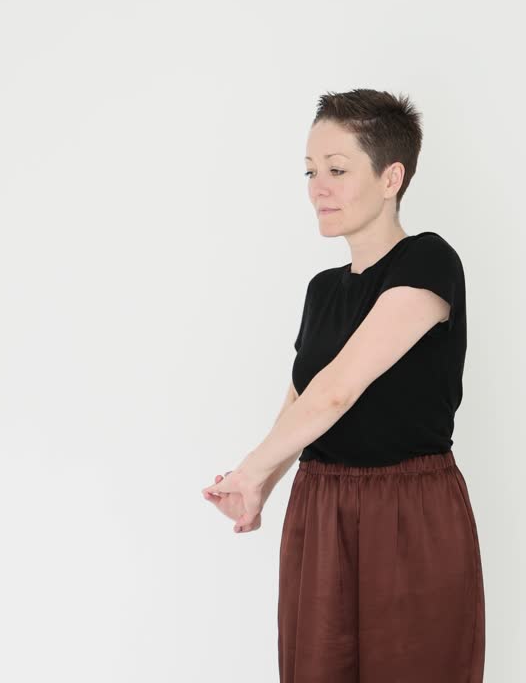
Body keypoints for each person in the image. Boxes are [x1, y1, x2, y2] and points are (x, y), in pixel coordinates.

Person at [201, 89, 485, 683]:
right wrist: (263, 486)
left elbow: (338, 390)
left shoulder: (428, 261)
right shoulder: (322, 290)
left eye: (336, 170)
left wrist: (249, 471)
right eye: (310, 172)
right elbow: (302, 403)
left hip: (409, 510)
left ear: (391, 178)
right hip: (321, 507)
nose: (317, 189)